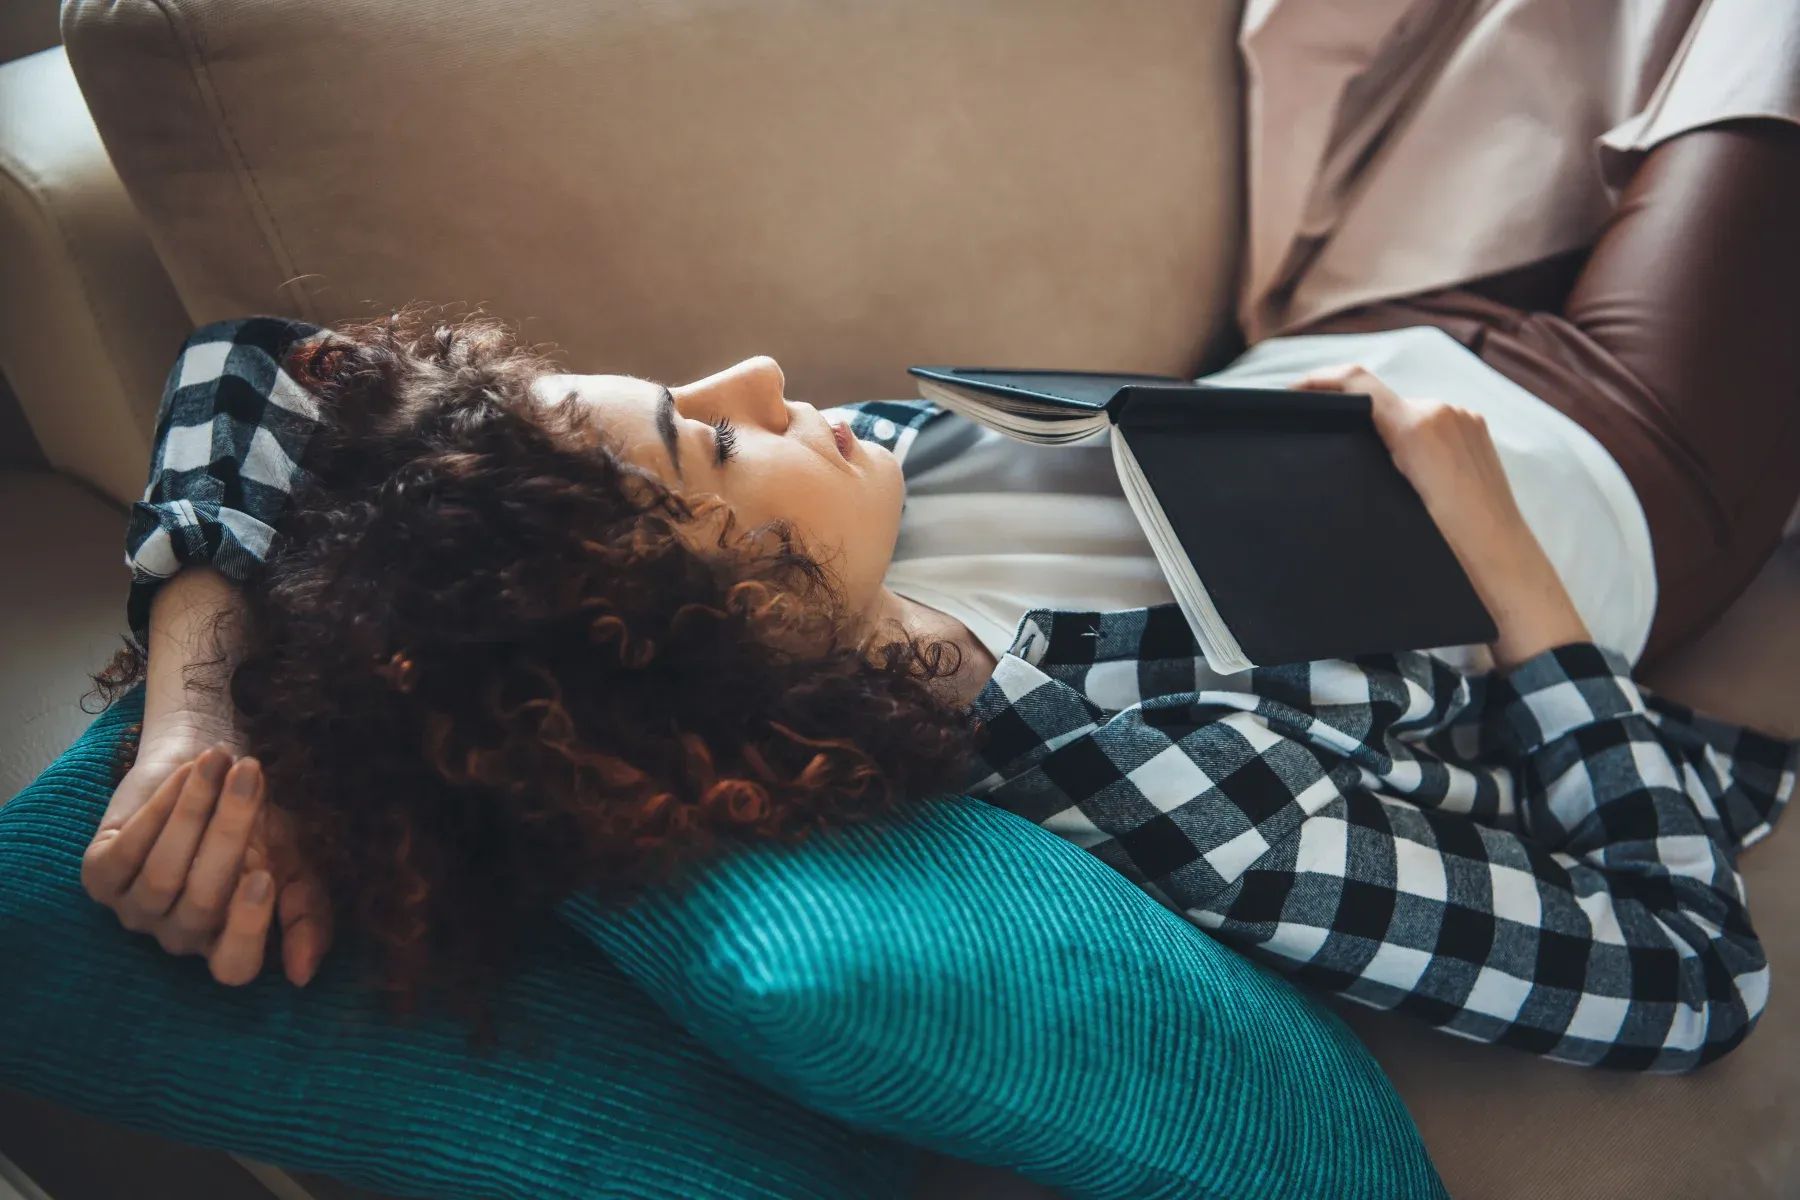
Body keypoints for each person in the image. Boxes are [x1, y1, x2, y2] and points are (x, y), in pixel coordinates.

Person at [81, 120, 1796, 1073]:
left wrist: (199, 717)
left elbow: (272, 370)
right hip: (1611, 459)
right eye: (721, 447)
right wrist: (1505, 563)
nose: (763, 374)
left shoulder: (831, 560)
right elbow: (1686, 971)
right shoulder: (1176, 787)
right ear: (695, 633)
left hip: (1348, 323)